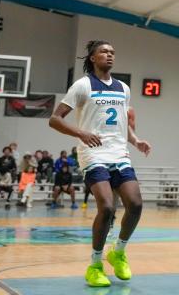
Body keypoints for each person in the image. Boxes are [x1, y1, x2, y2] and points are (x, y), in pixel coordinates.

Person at [50, 40, 152, 287]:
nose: (110, 55)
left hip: (119, 153)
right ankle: (95, 265)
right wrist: (80, 133)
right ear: (93, 57)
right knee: (106, 208)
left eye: (112, 52)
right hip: (93, 153)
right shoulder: (83, 85)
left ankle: (118, 251)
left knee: (136, 204)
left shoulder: (123, 88)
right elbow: (54, 119)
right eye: (104, 51)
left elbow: (121, 123)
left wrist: (136, 140)